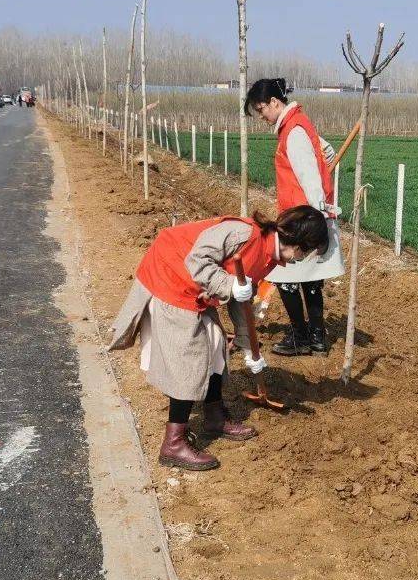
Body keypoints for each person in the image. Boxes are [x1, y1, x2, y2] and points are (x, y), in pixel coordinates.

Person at [107, 206, 329, 471]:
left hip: (197, 287)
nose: (300, 260)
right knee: (189, 358)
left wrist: (248, 348)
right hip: (171, 277)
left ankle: (214, 418)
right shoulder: (243, 234)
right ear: (297, 241)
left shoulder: (268, 255)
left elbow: (241, 301)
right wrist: (229, 285)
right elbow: (197, 261)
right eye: (306, 253)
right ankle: (173, 444)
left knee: (214, 345)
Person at [245, 78, 345, 356]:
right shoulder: (298, 124)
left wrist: (317, 211)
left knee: (283, 274)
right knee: (310, 278)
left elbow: (309, 177)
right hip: (302, 216)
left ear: (275, 103)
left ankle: (302, 336)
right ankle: (317, 338)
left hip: (300, 218)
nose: (262, 117)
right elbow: (325, 151)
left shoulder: (293, 132)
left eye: (262, 109)